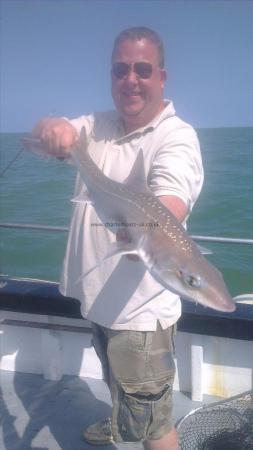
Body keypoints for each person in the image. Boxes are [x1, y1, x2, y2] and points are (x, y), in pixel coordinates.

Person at [29, 27, 204, 450]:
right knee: (117, 385)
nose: (131, 79)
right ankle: (118, 418)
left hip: (140, 318)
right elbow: (54, 130)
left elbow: (171, 197)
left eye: (143, 70)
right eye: (120, 69)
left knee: (156, 426)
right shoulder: (97, 126)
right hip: (99, 303)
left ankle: (135, 426)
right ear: (110, 76)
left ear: (162, 76)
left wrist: (147, 234)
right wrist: (54, 130)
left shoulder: (176, 136)